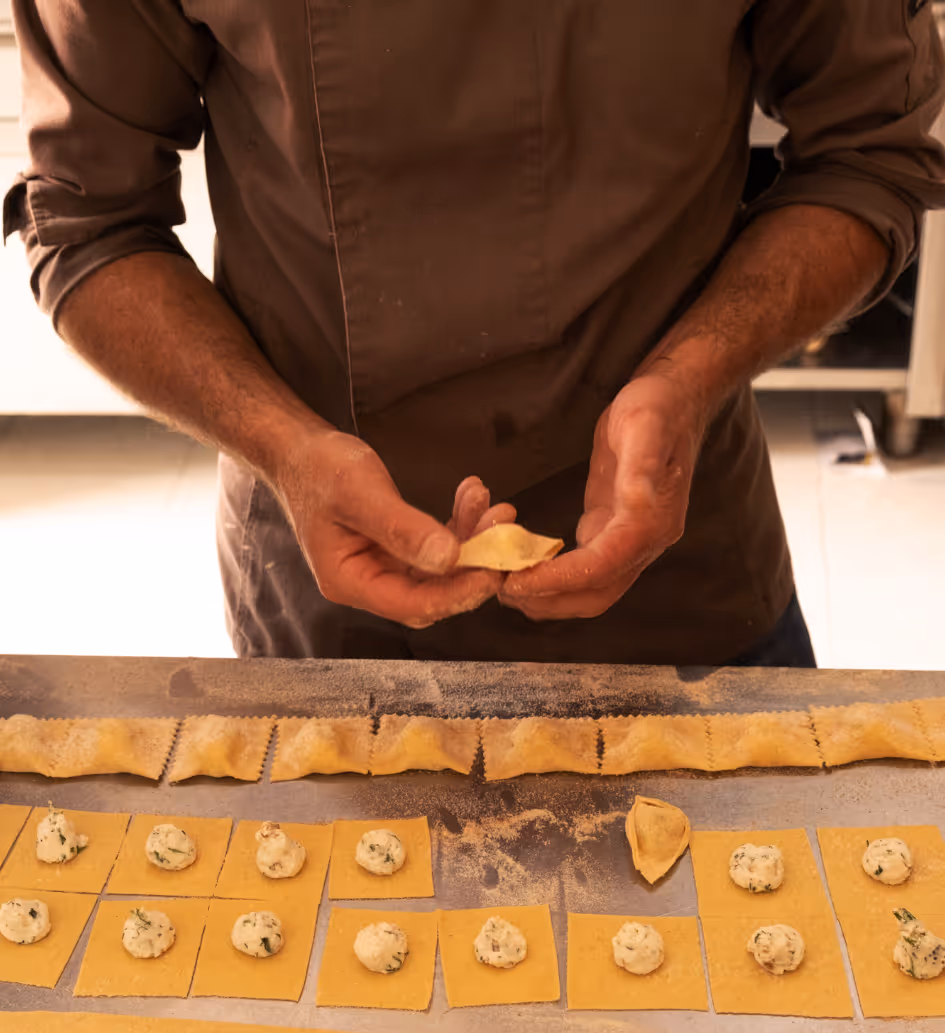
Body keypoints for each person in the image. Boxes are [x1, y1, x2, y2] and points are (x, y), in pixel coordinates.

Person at [4, 2, 945, 667]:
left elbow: (868, 150)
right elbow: (90, 222)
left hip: (682, 580)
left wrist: (689, 378)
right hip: (329, 605)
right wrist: (285, 450)